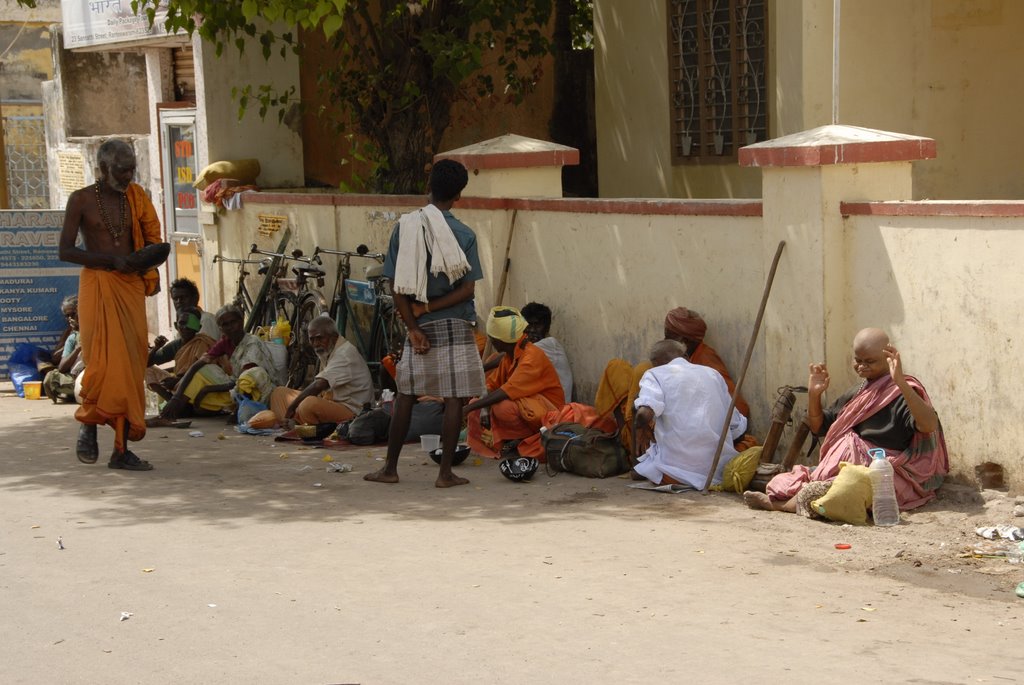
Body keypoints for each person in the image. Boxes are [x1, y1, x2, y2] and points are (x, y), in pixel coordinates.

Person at [364, 159, 486, 488]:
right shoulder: (465, 235)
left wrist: (414, 325)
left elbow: (396, 284)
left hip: (420, 325)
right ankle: (445, 473)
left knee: (406, 393)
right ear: (459, 195)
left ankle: (390, 469)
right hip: (456, 323)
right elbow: (467, 288)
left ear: (428, 186)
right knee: (455, 397)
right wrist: (429, 308)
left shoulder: (405, 228)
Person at [744, 328, 948, 514]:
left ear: (888, 357)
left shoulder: (903, 392)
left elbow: (928, 426)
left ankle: (779, 506)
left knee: (842, 490)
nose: (862, 367)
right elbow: (819, 426)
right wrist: (815, 395)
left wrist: (901, 382)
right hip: (843, 469)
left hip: (884, 474)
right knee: (783, 481)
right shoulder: (860, 391)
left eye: (870, 361)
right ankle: (807, 494)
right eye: (858, 360)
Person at [58, 139, 164, 471]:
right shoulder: (81, 200)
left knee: (131, 365)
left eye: (132, 168)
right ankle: (88, 425)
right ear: (104, 168)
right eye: (122, 169)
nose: (129, 174)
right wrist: (109, 261)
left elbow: (152, 239)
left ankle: (120, 450)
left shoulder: (137, 197)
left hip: (129, 286)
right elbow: (66, 251)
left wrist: (144, 260)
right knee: (102, 363)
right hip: (98, 285)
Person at [595, 306, 749, 452]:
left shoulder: (707, 364)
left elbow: (738, 409)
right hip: (661, 424)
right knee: (616, 368)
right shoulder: (675, 363)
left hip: (684, 437)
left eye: (668, 336)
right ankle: (629, 437)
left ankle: (635, 446)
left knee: (643, 370)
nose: (664, 339)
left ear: (684, 343)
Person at [631, 340, 747, 489]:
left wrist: (637, 418)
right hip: (718, 471)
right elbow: (736, 425)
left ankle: (636, 467)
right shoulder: (713, 374)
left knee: (648, 461)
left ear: (655, 363)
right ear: (686, 356)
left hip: (674, 474)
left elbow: (644, 415)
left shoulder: (654, 374)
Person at [465, 306, 566, 459]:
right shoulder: (510, 356)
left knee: (502, 407)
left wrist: (469, 407)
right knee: (477, 406)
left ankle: (523, 441)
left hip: (550, 414)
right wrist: (479, 407)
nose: (492, 342)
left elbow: (506, 391)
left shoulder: (532, 356)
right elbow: (491, 385)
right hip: (527, 405)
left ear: (502, 342)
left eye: (493, 340)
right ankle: (496, 445)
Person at [153, 304, 275, 422]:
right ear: (220, 329)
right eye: (225, 325)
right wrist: (176, 398)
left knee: (248, 378)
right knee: (204, 370)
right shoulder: (225, 341)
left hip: (258, 392)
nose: (230, 327)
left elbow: (245, 381)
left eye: (233, 322)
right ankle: (175, 409)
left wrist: (206, 390)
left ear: (241, 321)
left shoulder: (251, 343)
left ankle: (238, 410)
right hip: (236, 387)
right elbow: (197, 365)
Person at [262, 314, 374, 426]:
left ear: (334, 337)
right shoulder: (328, 349)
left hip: (353, 412)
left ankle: (300, 424)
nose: (315, 344)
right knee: (278, 393)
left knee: (308, 404)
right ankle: (292, 423)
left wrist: (292, 407)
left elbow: (319, 385)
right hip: (331, 404)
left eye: (320, 338)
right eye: (312, 339)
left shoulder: (344, 355)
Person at [145, 306, 218, 400]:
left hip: (197, 385)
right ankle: (172, 400)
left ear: (199, 328)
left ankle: (179, 403)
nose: (185, 327)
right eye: (182, 323)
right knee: (147, 370)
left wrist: (178, 380)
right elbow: (147, 363)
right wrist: (156, 347)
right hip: (178, 384)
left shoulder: (203, 343)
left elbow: (205, 373)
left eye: (191, 324)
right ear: (176, 326)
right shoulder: (175, 345)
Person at [520, 302, 573, 403]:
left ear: (547, 328)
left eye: (537, 325)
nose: (532, 330)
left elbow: (515, 351)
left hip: (556, 408)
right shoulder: (531, 346)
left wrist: (483, 366)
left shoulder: (549, 344)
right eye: (528, 325)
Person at [42, 296, 84, 403]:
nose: (70, 318)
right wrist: (78, 348)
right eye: (67, 316)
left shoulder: (98, 331)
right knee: (51, 377)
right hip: (77, 377)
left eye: (73, 314)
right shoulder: (72, 336)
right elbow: (59, 364)